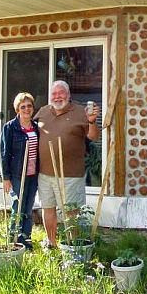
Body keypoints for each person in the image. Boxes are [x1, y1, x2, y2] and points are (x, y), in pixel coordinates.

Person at [34, 80, 100, 248]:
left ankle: (73, 246)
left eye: (61, 93)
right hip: (45, 173)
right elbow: (29, 129)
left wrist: (92, 122)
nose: (57, 97)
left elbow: (93, 137)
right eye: (54, 94)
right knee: (48, 209)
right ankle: (52, 243)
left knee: (71, 213)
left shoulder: (80, 112)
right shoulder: (43, 111)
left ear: (68, 95)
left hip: (70, 175)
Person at [0, 92, 39, 250]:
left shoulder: (36, 127)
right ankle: (14, 238)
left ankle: (26, 238)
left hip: (33, 174)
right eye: (23, 106)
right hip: (16, 174)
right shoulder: (10, 127)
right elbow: (4, 152)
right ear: (17, 109)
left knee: (28, 207)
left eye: (29, 106)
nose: (26, 109)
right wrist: (6, 177)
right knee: (18, 206)